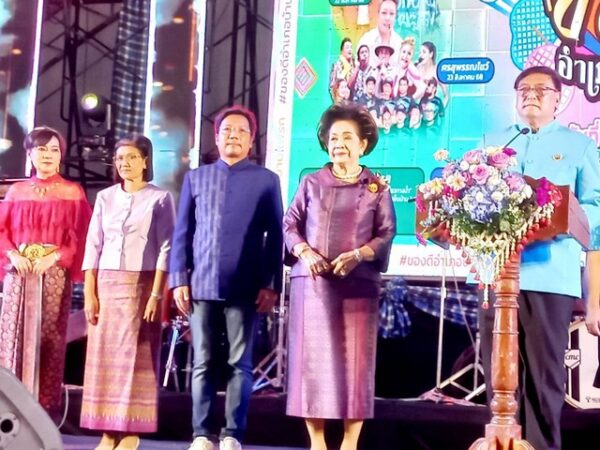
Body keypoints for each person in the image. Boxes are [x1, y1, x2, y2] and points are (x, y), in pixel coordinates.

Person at [479, 66, 600, 450]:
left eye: (541, 89)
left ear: (558, 99)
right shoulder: (495, 142)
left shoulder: (579, 146)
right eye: (524, 89)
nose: (531, 94)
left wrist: (558, 216)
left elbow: (594, 211)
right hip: (496, 275)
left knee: (544, 380)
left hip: (550, 276)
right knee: (499, 380)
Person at [169, 105, 283, 450]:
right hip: (201, 284)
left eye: (241, 131)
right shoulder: (196, 178)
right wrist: (179, 278)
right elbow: (182, 232)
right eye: (227, 130)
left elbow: (275, 237)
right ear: (216, 137)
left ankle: (233, 434)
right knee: (202, 361)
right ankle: (201, 434)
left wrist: (271, 284)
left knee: (239, 363)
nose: (233, 136)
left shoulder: (266, 180)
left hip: (246, 285)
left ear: (251, 140)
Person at [284, 102, 396, 450]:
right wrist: (305, 252)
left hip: (358, 287)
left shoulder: (377, 187)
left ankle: (350, 443)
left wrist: (359, 255)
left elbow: (386, 233)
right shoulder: (311, 182)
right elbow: (289, 224)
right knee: (311, 366)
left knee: (355, 368)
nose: (339, 144)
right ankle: (317, 442)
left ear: (363, 144)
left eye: (347, 137)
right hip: (313, 287)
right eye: (334, 138)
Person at [79, 135, 175, 450]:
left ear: (145, 161)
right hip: (106, 284)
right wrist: (90, 292)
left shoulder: (160, 198)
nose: (125, 163)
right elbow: (93, 245)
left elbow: (167, 247)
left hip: (142, 285)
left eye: (132, 157)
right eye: (120, 158)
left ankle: (131, 431)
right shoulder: (105, 197)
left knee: (137, 357)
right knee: (106, 361)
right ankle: (108, 432)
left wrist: (156, 295)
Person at [0, 126, 91, 417]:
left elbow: (81, 238)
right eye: (41, 149)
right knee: (13, 337)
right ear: (30, 154)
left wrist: (54, 257)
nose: (48, 155)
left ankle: (43, 411)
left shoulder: (72, 192)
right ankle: (9, 407)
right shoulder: (17, 191)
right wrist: (13, 254)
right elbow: (2, 231)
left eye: (54, 150)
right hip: (19, 273)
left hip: (53, 275)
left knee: (49, 338)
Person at [357, 0, 402, 68]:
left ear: (396, 16)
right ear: (378, 14)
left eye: (392, 14)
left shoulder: (400, 45)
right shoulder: (365, 41)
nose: (387, 18)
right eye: (384, 13)